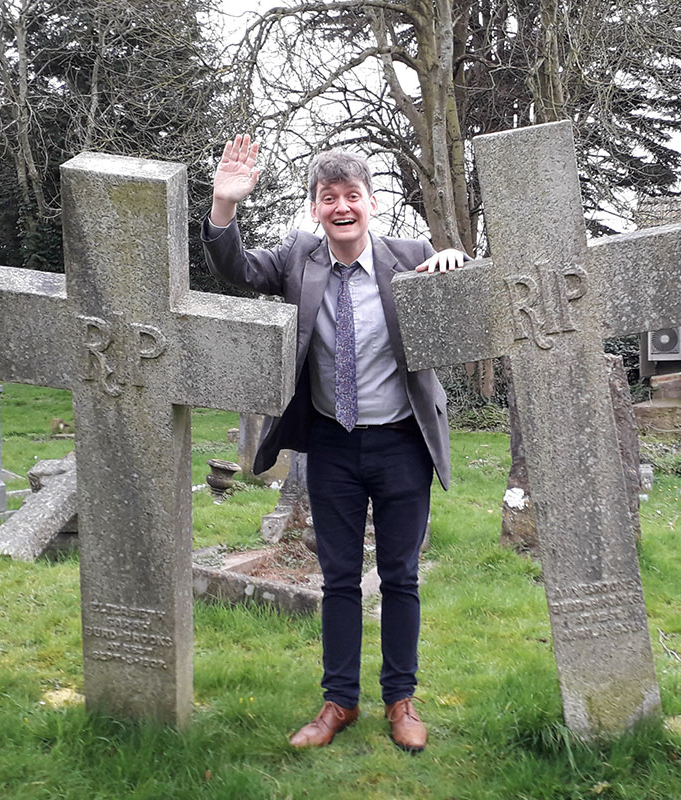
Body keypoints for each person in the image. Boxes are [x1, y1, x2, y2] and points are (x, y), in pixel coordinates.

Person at [202, 134, 465, 752]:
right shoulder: (299, 258)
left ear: (372, 202)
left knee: (400, 576)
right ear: (316, 208)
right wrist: (224, 205)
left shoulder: (413, 255)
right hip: (331, 446)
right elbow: (235, 269)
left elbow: (463, 311)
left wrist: (457, 264)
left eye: (353, 195)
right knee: (340, 577)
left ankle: (401, 700)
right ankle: (339, 702)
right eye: (328, 198)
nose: (341, 207)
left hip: (403, 443)